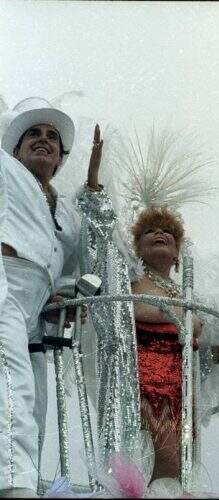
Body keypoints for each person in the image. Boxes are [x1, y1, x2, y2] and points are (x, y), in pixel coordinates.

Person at [77, 125, 219, 485]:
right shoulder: (128, 284)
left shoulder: (189, 298)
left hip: (179, 395)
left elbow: (194, 359)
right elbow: (99, 242)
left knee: (176, 475)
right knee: (142, 471)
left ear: (177, 253)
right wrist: (94, 183)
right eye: (149, 233)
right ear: (138, 247)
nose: (160, 235)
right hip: (136, 390)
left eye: (168, 234)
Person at [0, 96, 85, 498]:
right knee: (10, 381)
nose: (43, 140)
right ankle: (13, 486)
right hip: (5, 283)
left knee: (34, 400)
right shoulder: (5, 172)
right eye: (32, 133)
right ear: (13, 148)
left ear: (61, 156)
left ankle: (25, 481)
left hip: (35, 307)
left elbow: (76, 264)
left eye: (52, 136)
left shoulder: (67, 211)